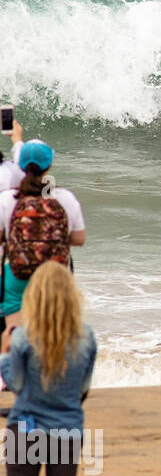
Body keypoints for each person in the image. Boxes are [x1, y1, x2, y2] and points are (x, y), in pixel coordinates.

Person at [1, 262, 97, 476]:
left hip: (25, 429)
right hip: (67, 431)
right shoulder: (86, 338)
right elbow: (83, 389)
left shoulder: (23, 337)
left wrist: (3, 352)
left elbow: (15, 384)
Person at [0, 141, 87, 341]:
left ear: (20, 167)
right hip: (56, 276)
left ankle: (11, 369)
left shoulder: (7, 198)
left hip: (18, 274)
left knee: (13, 338)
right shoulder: (64, 198)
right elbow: (79, 239)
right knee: (54, 337)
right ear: (49, 166)